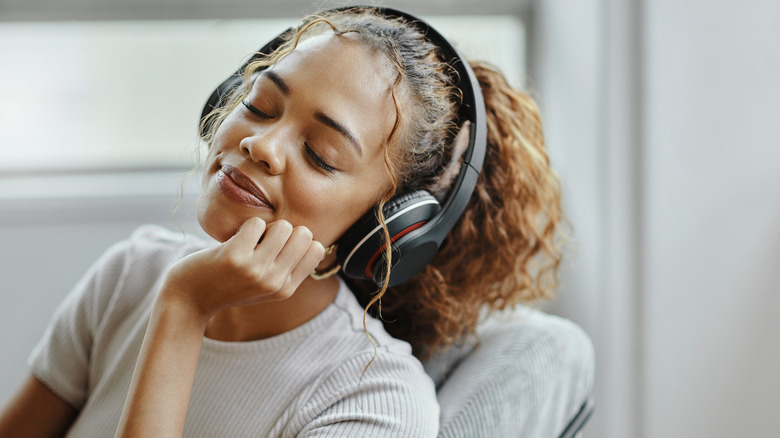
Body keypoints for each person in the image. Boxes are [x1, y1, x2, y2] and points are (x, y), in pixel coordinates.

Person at [0, 6, 564, 437]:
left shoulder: (376, 404)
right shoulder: (132, 273)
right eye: (260, 105)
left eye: (320, 154)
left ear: (386, 229)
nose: (259, 143)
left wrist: (184, 309)